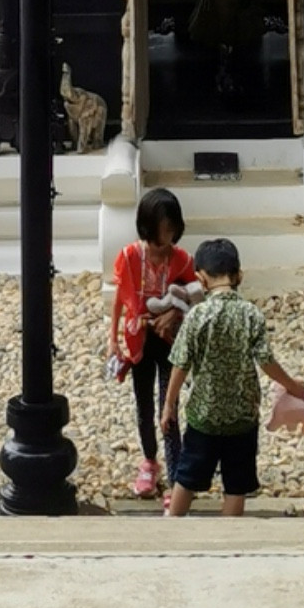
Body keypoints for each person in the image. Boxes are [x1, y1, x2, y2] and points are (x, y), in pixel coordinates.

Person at [161, 236, 304, 517]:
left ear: (200, 279)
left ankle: (171, 530)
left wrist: (169, 404)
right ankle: (230, 540)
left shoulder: (197, 315)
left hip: (203, 416)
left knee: (187, 477)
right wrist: (293, 386)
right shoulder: (251, 314)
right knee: (236, 484)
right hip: (242, 416)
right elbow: (266, 361)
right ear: (239, 275)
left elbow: (181, 363)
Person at [109, 185, 197, 497]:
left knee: (168, 405)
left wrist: (175, 312)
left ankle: (175, 476)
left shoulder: (183, 260)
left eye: (173, 232)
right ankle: (149, 460)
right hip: (139, 337)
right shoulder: (130, 257)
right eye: (163, 233)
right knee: (144, 404)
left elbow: (195, 296)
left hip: (170, 339)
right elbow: (120, 296)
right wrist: (114, 340)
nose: (168, 242)